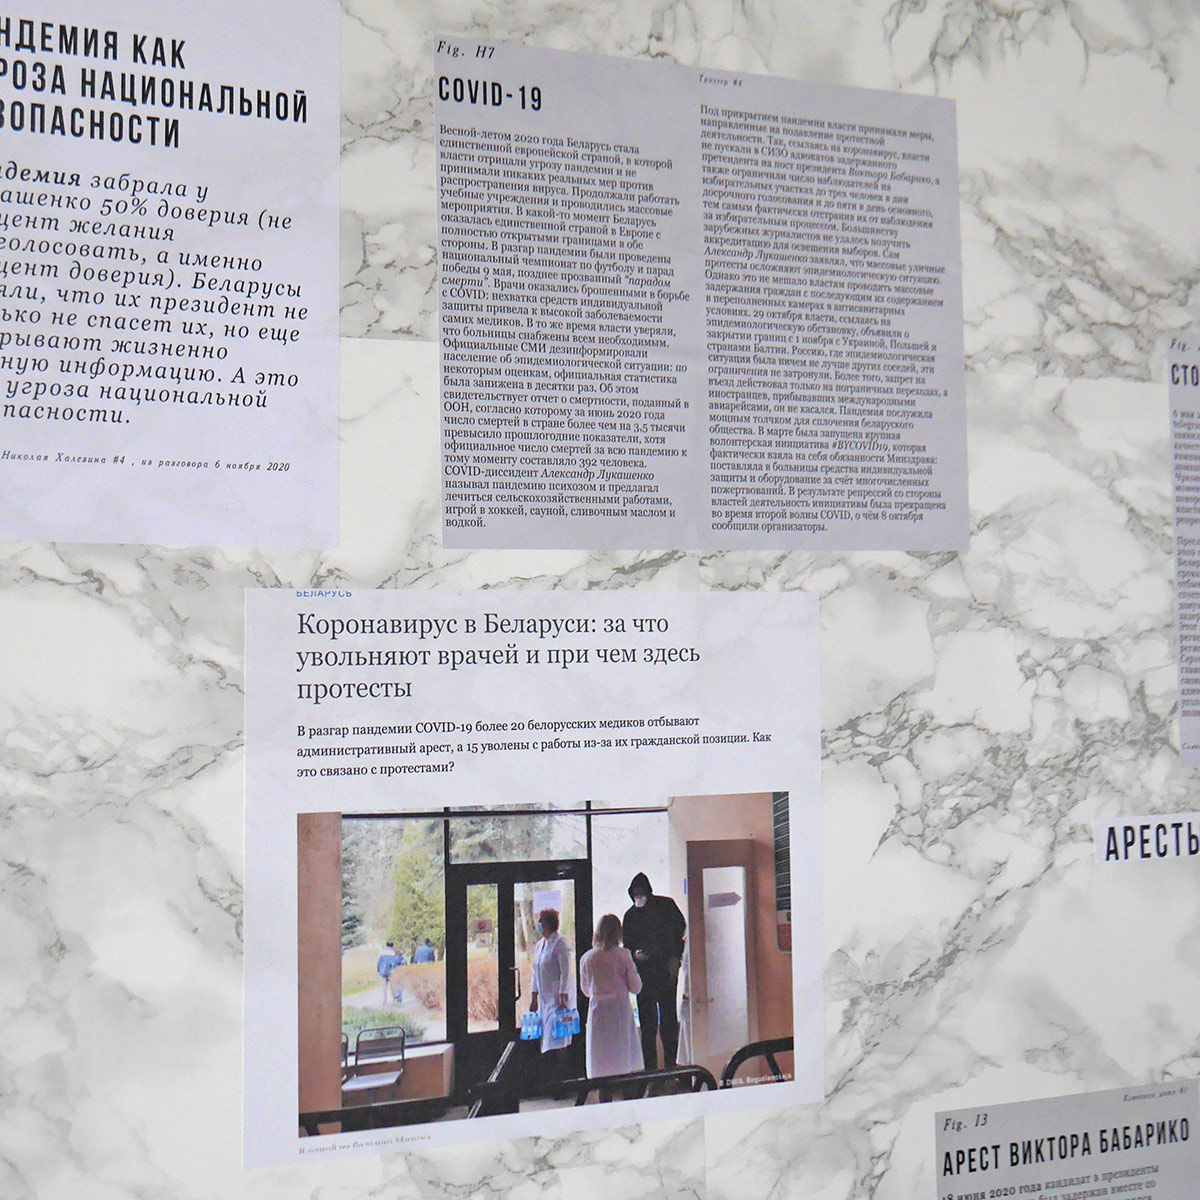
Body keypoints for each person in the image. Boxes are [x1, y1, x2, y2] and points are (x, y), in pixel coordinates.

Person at [622, 872, 685, 1071]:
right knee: (647, 1027)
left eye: (642, 893)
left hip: (666, 973)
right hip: (644, 978)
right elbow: (627, 947)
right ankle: (650, 1072)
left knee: (669, 1023)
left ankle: (671, 1068)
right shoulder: (630, 916)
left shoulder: (666, 906)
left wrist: (675, 957)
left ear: (649, 892)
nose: (639, 897)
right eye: (636, 895)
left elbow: (680, 931)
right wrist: (635, 955)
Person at [579, 914, 643, 1096]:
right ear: (618, 932)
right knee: (624, 1064)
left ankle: (605, 1105)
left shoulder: (587, 958)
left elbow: (585, 990)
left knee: (602, 1067)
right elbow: (636, 987)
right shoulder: (624, 956)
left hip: (598, 1015)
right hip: (620, 1014)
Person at [529, 908, 575, 1077]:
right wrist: (533, 996)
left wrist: (563, 996)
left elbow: (565, 971)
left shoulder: (560, 943)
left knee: (558, 1039)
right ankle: (550, 1077)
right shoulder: (540, 945)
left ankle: (562, 1079)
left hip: (557, 1001)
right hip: (544, 1000)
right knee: (548, 1040)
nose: (538, 925)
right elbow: (536, 972)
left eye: (540, 921)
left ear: (548, 924)